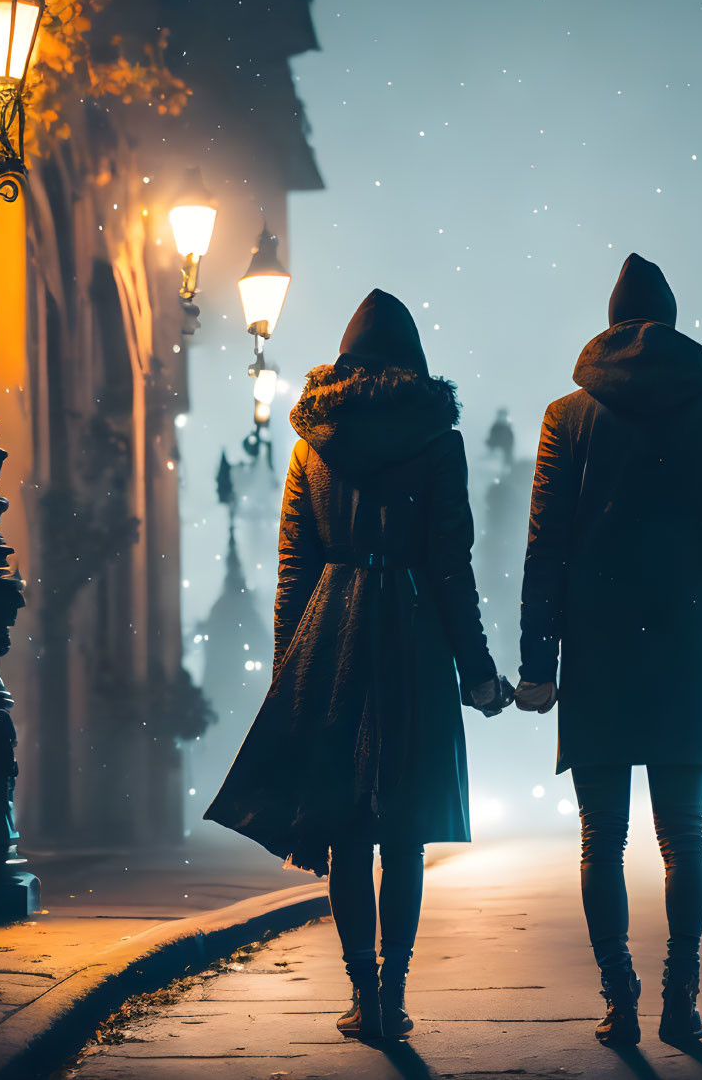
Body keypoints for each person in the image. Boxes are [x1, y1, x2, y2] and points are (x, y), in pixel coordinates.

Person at [204, 289, 511, 1041]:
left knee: (344, 828)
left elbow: (292, 569)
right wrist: (475, 668)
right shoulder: (439, 440)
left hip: (330, 635)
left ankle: (362, 993)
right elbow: (450, 566)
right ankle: (395, 993)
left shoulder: (314, 442)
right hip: (409, 634)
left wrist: (289, 673)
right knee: (401, 829)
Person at [515, 254, 702, 1047]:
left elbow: (544, 546)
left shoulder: (567, 417)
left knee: (601, 838)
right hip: (684, 638)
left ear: (610, 321)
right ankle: (680, 996)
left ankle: (618, 996)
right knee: (682, 837)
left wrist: (537, 663)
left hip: (596, 642)